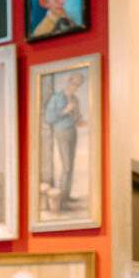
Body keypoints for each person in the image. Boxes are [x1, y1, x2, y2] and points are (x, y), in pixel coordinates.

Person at [43, 72, 85, 208]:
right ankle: (62, 199)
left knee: (70, 165)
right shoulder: (57, 98)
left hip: (72, 131)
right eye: (74, 84)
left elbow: (77, 118)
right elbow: (48, 118)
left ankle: (66, 195)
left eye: (78, 85)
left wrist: (79, 119)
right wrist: (64, 111)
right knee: (66, 165)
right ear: (69, 81)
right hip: (61, 132)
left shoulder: (74, 99)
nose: (75, 87)